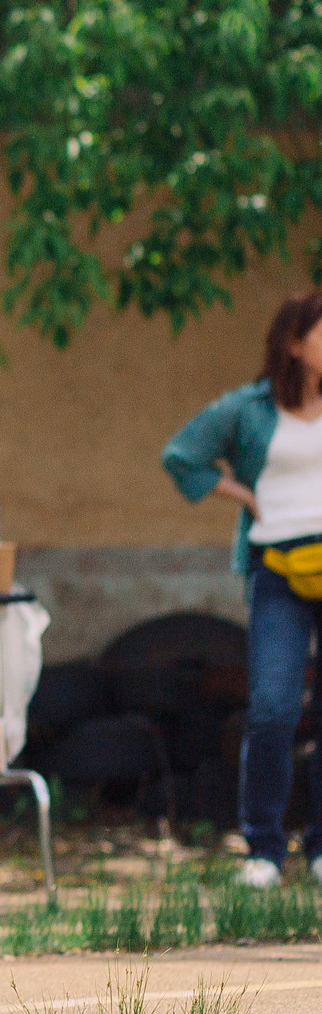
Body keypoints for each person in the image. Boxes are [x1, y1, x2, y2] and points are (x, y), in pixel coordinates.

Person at [163, 290, 322, 891]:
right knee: (274, 707)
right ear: (294, 344)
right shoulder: (249, 408)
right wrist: (245, 495)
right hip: (277, 567)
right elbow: (181, 456)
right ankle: (264, 849)